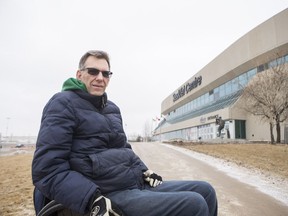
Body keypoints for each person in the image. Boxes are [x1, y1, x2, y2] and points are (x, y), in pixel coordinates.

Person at [32, 50, 218, 216]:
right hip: (104, 193)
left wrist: (145, 170)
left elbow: (124, 150)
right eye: (93, 71)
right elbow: (47, 170)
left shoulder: (111, 108)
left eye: (106, 73)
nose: (100, 77)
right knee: (194, 204)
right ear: (79, 74)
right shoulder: (63, 103)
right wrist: (91, 199)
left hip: (132, 184)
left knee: (206, 191)